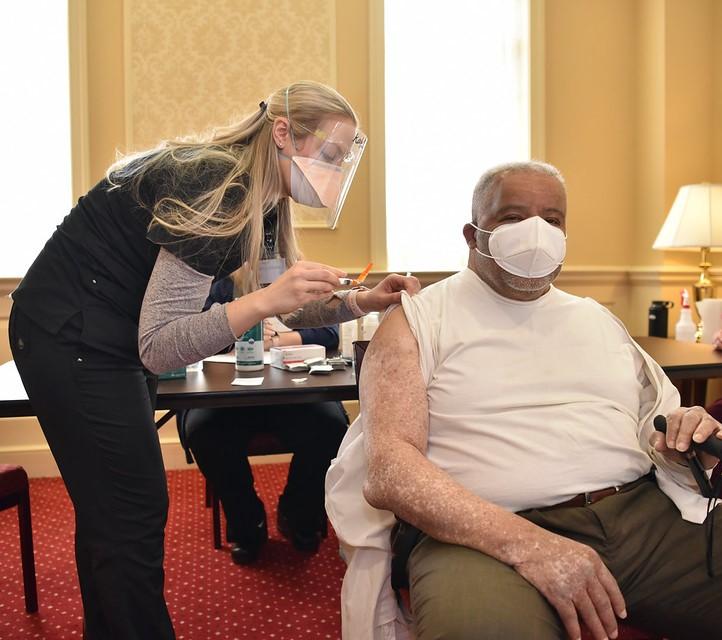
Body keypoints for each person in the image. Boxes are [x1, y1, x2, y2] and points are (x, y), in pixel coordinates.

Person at [8, 80, 419, 640]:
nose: (335, 170)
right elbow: (161, 344)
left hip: (107, 334)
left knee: (117, 515)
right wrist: (265, 301)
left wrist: (359, 301)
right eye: (327, 155)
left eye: (341, 160)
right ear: (281, 133)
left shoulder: (264, 199)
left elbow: (286, 305)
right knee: (131, 513)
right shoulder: (214, 185)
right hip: (70, 333)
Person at [325, 161, 722, 640]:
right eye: (513, 218)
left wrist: (685, 437)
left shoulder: (596, 320)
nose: (536, 233)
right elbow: (390, 472)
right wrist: (531, 546)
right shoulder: (418, 321)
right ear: (473, 236)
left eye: (552, 220)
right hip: (479, 535)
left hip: (642, 519)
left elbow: (656, 426)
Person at [180, 276, 348, 564]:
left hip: (293, 392)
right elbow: (200, 339)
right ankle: (247, 522)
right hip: (229, 394)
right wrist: (251, 337)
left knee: (331, 426)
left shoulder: (301, 277)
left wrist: (273, 341)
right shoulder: (217, 284)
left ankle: (298, 512)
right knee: (202, 430)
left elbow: (329, 334)